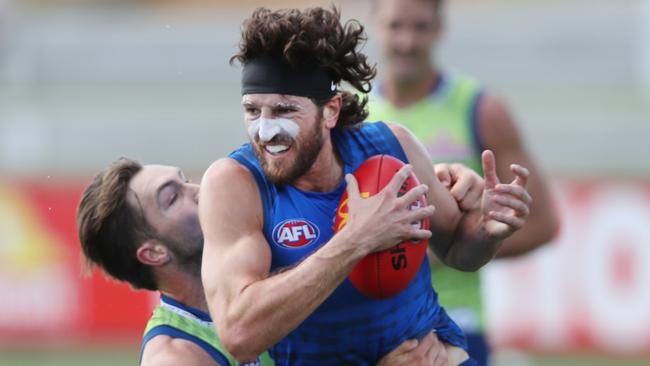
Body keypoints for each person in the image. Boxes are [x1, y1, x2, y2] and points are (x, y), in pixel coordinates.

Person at [198, 6, 532, 366]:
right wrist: (356, 240)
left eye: (283, 111)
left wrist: (487, 230)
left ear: (330, 111)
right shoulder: (235, 183)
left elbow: (457, 249)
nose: (265, 131)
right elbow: (239, 334)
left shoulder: (392, 147)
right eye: (252, 111)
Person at [76, 158, 484, 366]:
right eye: (172, 197)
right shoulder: (177, 356)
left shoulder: (261, 241)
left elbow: (365, 210)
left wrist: (441, 182)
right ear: (153, 253)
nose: (198, 189)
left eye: (184, 179)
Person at [367, 0, 559, 364]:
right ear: (375, 25)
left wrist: (462, 242)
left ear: (439, 29)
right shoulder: (350, 112)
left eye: (420, 27)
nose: (407, 41)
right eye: (395, 26)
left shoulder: (479, 109)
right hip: (374, 326)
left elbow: (543, 224)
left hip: (456, 325)